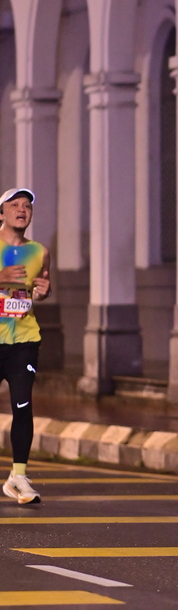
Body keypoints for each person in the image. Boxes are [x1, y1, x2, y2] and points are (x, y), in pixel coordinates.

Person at [0, 188, 51, 505]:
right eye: (15, 204)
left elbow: (40, 291)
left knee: (22, 407)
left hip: (24, 341)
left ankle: (18, 477)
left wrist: (44, 292)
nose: (22, 209)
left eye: (27, 205)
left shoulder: (40, 252)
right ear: (1, 213)